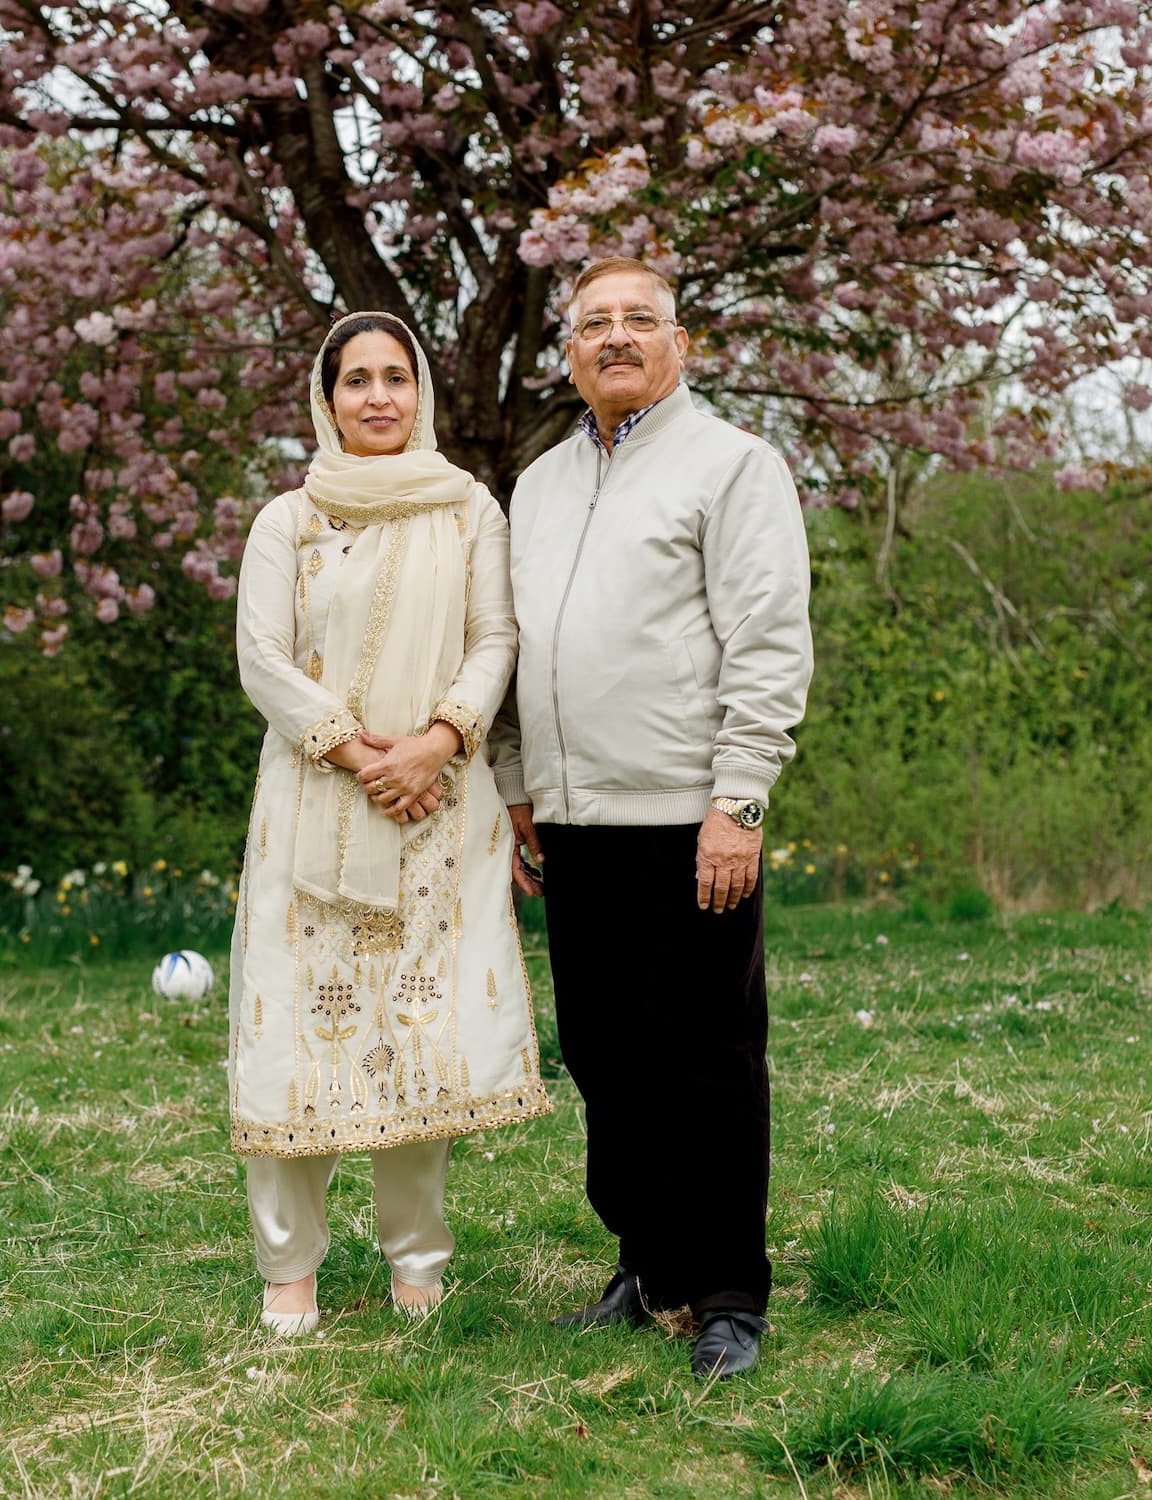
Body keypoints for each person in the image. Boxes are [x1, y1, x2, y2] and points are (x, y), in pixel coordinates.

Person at [490, 257, 813, 1377]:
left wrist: (737, 800)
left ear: (683, 344)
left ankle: (725, 1293)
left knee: (707, 1058)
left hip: (689, 817)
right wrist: (517, 790)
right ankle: (647, 1260)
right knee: (602, 1053)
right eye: (593, 324)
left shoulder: (732, 467)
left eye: (640, 319)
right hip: (569, 823)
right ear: (567, 354)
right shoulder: (535, 486)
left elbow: (766, 642)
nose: (615, 337)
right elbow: (514, 649)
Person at [226, 311, 551, 1336]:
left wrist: (439, 741)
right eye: (354, 380)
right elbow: (261, 657)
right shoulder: (288, 519)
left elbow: (494, 633)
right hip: (313, 806)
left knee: (419, 1031)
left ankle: (417, 1263)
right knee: (297, 1035)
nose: (377, 397)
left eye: (395, 378)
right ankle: (289, 1270)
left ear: (420, 394)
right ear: (325, 403)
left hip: (436, 815)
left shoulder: (467, 509)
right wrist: (361, 753)